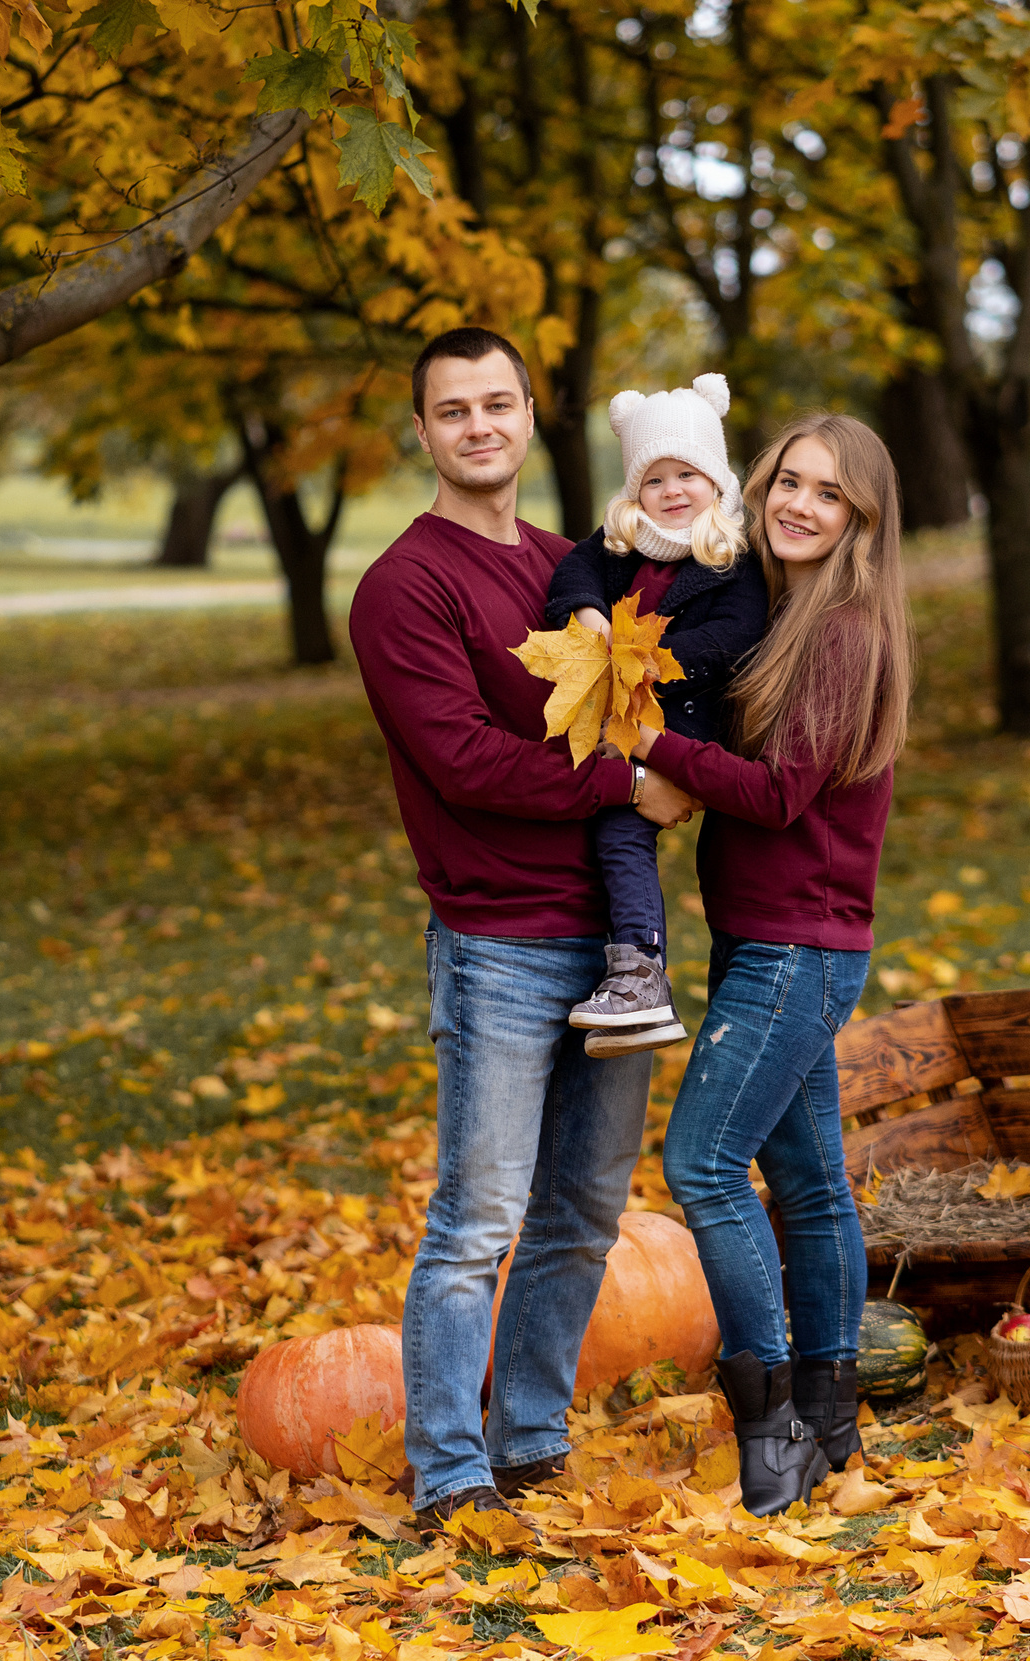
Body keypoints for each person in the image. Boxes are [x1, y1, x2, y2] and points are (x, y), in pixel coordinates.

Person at [346, 327, 701, 1531]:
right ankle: (449, 1467)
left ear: (532, 414)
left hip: (615, 947)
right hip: (498, 938)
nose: (479, 427)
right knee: (476, 1220)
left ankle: (531, 1438)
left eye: (498, 403)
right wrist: (623, 785)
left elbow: (665, 684)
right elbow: (463, 762)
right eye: (454, 411)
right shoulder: (404, 586)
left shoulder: (573, 566)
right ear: (425, 432)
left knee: (585, 1211)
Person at [630, 415, 910, 1516]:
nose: (796, 503)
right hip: (776, 938)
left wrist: (655, 747)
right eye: (785, 480)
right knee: (804, 1179)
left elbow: (779, 793)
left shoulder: (841, 632)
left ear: (861, 521)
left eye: (826, 494)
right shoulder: (788, 614)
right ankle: (832, 1416)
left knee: (701, 1164)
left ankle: (772, 1415)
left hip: (797, 947)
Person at [544, 376, 770, 1059]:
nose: (672, 491)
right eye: (655, 478)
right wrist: (584, 613)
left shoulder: (731, 556)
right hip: (623, 718)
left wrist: (647, 657)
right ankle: (632, 970)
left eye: (688, 474)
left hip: (686, 724)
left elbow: (733, 635)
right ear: (635, 491)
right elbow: (573, 573)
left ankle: (641, 971)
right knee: (613, 829)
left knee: (619, 819)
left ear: (716, 479)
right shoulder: (621, 544)